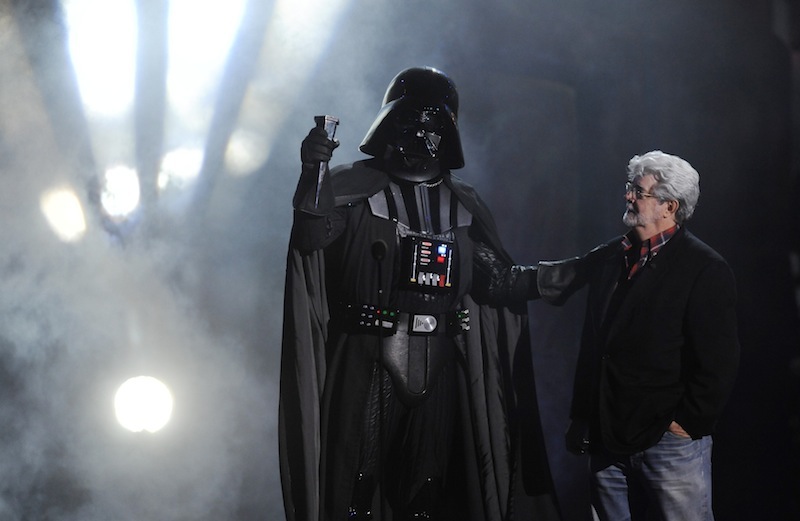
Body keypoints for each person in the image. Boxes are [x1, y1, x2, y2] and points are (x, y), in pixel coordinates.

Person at [278, 66, 560, 521]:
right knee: (356, 491)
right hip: (367, 356)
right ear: (389, 123)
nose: (419, 136)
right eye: (409, 123)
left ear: (447, 132)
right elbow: (310, 239)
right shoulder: (353, 189)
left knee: (426, 495)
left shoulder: (464, 204)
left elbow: (501, 281)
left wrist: (584, 269)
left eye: (430, 126)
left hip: (441, 358)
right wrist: (314, 172)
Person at [535, 151, 740, 520]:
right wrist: (584, 415)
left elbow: (718, 361)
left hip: (669, 442)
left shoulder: (705, 268)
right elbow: (595, 345)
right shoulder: (614, 256)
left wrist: (685, 424)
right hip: (606, 435)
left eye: (638, 191)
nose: (628, 196)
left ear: (669, 206)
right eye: (630, 188)